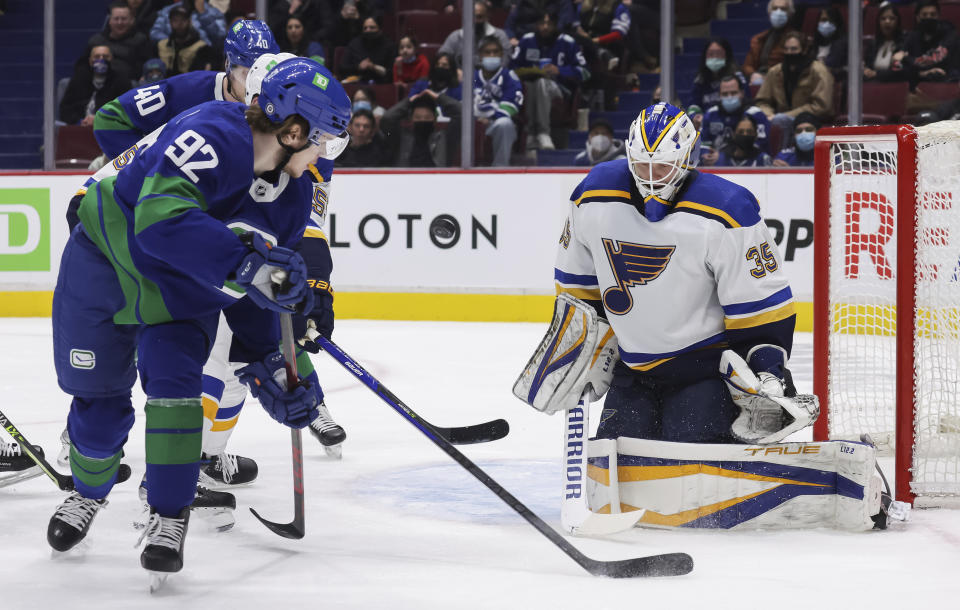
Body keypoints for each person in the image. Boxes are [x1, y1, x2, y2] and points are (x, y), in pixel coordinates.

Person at [46, 59, 351, 581]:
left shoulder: (294, 197)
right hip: (104, 267)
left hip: (181, 297)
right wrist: (246, 263)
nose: (324, 156)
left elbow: (259, 294)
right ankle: (87, 492)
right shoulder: (210, 131)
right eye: (321, 141)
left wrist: (272, 366)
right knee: (98, 417)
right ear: (294, 130)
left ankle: (169, 516)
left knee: (179, 398)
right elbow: (158, 222)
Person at [554, 101, 795, 444]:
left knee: (694, 474)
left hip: (704, 372)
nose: (650, 180)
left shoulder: (727, 209)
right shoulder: (593, 196)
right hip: (632, 371)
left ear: (686, 159)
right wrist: (581, 349)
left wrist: (769, 375)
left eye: (663, 168)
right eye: (641, 166)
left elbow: (760, 310)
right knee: (616, 471)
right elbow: (577, 288)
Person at [93, 20, 280, 160]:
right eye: (247, 74)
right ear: (228, 65)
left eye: (264, 74)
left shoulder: (282, 100)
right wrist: (147, 170)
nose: (256, 85)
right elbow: (109, 119)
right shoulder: (188, 89)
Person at [511, 11, 589, 151]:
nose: (545, 27)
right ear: (536, 25)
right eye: (542, 23)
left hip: (559, 89)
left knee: (541, 83)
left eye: (549, 24)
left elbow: (585, 72)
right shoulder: (526, 41)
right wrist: (528, 71)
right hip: (530, 87)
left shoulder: (567, 42)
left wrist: (560, 71)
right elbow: (511, 68)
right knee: (533, 84)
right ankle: (531, 135)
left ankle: (542, 132)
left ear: (556, 25)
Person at [753, 30, 833, 154]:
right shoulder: (775, 71)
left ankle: (781, 155)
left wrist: (788, 115)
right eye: (786, 49)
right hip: (778, 119)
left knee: (781, 120)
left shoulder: (819, 71)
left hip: (810, 120)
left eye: (794, 49)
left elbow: (821, 106)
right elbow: (762, 101)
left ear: (804, 49)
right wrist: (768, 114)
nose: (789, 53)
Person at [473, 35, 523, 166]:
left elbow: (511, 106)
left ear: (501, 54)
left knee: (505, 124)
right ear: (480, 55)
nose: (492, 55)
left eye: (495, 52)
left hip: (495, 123)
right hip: (472, 124)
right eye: (487, 52)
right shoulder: (470, 76)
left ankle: (500, 169)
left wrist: (490, 118)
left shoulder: (509, 77)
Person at [700, 75, 770, 166]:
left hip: (750, 164)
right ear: (719, 95)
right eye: (725, 94)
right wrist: (707, 155)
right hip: (716, 165)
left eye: (733, 93)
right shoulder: (711, 114)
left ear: (742, 93)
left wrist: (723, 154)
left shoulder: (756, 114)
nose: (729, 97)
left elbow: (759, 146)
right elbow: (703, 143)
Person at [382, 91, 461, 167]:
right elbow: (387, 119)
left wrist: (439, 98)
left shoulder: (445, 139)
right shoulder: (401, 138)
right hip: (406, 179)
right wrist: (408, 101)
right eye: (418, 117)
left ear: (435, 119)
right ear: (411, 119)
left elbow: (462, 114)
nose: (423, 120)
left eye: (427, 117)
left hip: (437, 179)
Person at [60, 45, 133, 127]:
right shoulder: (79, 79)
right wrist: (79, 121)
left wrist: (102, 120)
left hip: (109, 128)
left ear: (111, 59)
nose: (101, 59)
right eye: (97, 56)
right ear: (90, 61)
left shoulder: (121, 81)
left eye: (105, 57)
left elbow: (127, 109)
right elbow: (65, 109)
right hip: (80, 127)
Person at [87, 1, 153, 81]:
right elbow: (82, 67)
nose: (119, 22)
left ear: (132, 21)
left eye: (124, 19)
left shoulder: (141, 41)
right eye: (116, 19)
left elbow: (146, 67)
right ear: (109, 21)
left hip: (130, 85)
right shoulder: (96, 41)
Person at [439, 1, 513, 67]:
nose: (475, 20)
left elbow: (505, 61)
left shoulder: (500, 36)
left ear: (487, 16)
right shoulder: (456, 36)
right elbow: (442, 55)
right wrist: (455, 72)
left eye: (479, 17)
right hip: (462, 79)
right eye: (472, 17)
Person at [904, 0, 960, 84]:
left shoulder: (950, 34)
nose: (928, 18)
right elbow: (897, 65)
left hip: (945, 82)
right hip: (917, 82)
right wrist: (922, 73)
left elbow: (936, 58)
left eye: (933, 15)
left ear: (938, 16)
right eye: (924, 15)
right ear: (917, 17)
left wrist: (906, 59)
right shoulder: (912, 36)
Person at [742, 0, 795, 85]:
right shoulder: (759, 39)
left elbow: (793, 68)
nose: (778, 12)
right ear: (769, 13)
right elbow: (747, 66)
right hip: (760, 79)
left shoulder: (795, 40)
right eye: (775, 8)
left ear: (790, 13)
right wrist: (753, 74)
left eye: (783, 9)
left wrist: (767, 77)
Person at [687, 38, 747, 111]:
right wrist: (695, 115)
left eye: (719, 54)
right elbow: (693, 104)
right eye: (711, 54)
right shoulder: (700, 79)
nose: (715, 57)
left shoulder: (737, 76)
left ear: (727, 55)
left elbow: (747, 101)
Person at [339, 15, 396, 84]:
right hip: (357, 83)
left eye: (372, 28)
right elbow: (343, 68)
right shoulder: (354, 44)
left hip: (381, 84)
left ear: (380, 29)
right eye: (365, 28)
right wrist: (358, 67)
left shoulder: (389, 45)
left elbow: (391, 72)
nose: (368, 30)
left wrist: (374, 67)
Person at [158, 4, 211, 76]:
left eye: (183, 20)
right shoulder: (161, 45)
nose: (179, 24)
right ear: (170, 23)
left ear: (189, 22)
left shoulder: (201, 47)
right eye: (175, 20)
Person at [151, 0, 227, 47]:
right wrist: (176, 43)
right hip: (174, 53)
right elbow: (155, 33)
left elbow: (220, 38)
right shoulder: (168, 11)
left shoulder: (214, 13)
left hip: (204, 56)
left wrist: (203, 14)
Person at [864, 3, 908, 82]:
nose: (887, 22)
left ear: (898, 22)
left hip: (894, 84)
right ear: (878, 22)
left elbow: (902, 70)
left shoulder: (905, 43)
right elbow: (867, 64)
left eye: (892, 18)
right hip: (873, 83)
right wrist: (866, 70)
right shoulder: (873, 43)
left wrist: (877, 74)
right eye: (883, 19)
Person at [504, 0, 576, 47]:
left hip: (553, 40)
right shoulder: (523, 2)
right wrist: (512, 37)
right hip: (524, 40)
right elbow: (509, 24)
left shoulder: (563, 2)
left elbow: (564, 23)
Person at [811, 6, 847, 80]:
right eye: (823, 20)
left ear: (837, 22)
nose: (826, 24)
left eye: (831, 21)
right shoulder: (814, 43)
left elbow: (831, 64)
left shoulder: (842, 43)